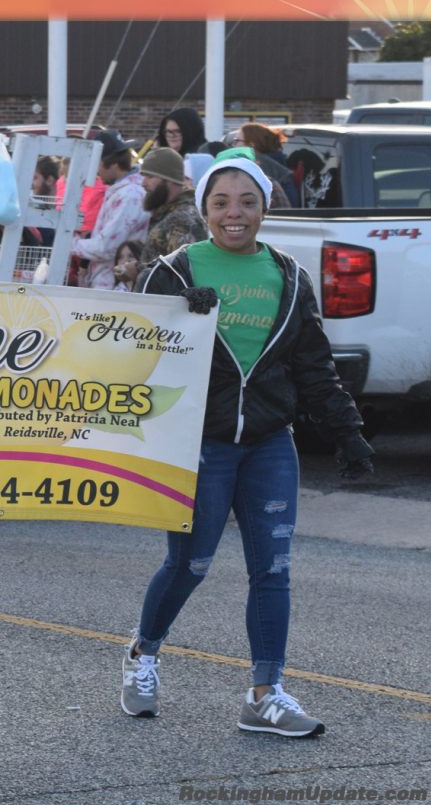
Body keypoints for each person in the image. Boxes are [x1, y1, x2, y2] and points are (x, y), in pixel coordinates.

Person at [123, 150, 374, 737]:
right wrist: (185, 319)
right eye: (220, 202)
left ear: (265, 207)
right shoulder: (175, 271)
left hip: (268, 444)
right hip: (199, 445)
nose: (234, 214)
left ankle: (265, 694)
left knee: (274, 569)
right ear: (205, 208)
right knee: (191, 564)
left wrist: (349, 433)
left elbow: (314, 366)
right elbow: (132, 352)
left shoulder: (288, 275)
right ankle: (143, 653)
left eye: (247, 202)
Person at [69, 130, 149, 289]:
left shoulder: (129, 196)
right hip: (110, 284)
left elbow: (105, 247)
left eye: (96, 163)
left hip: (114, 288)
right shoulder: (121, 191)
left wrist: (69, 243)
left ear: (113, 163)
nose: (96, 171)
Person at [139, 147, 208, 264]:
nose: (143, 183)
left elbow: (180, 269)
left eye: (150, 177)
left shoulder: (182, 220)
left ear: (169, 179)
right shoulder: (169, 213)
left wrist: (136, 271)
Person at [238, 122, 299, 208]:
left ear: (251, 144)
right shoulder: (277, 164)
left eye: (237, 141)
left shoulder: (261, 167)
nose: (233, 146)